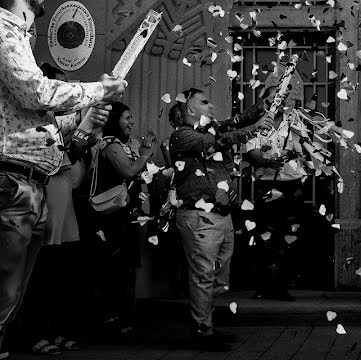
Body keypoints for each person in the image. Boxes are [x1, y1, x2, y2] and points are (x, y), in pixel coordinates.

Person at [0, 0, 126, 360]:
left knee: (13, 290)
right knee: (3, 284)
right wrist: (97, 92)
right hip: (11, 178)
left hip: (32, 179)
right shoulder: (1, 30)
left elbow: (41, 122)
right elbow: (35, 93)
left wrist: (83, 120)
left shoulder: (21, 37)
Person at [168, 88, 272, 350]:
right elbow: (221, 141)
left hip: (221, 215)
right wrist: (255, 127)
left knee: (218, 278)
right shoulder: (182, 135)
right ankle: (202, 331)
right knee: (203, 275)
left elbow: (236, 122)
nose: (211, 105)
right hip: (199, 216)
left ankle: (206, 324)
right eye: (204, 102)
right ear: (190, 110)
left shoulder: (211, 128)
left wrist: (262, 106)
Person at [15, 64, 102, 355]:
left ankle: (58, 330)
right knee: (38, 276)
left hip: (66, 211)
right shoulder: (31, 123)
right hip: (43, 205)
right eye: (59, 89)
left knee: (62, 276)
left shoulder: (64, 125)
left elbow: (76, 174)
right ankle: (31, 334)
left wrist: (84, 138)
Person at [242, 73, 306, 301]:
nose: (277, 102)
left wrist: (292, 152)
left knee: (289, 234)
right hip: (267, 183)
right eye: (272, 99)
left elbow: (304, 147)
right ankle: (264, 285)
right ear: (265, 101)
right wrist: (268, 161)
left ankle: (282, 285)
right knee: (265, 235)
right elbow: (251, 152)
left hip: (291, 182)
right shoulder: (258, 122)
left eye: (281, 97)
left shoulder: (294, 119)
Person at [90, 103, 151, 338]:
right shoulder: (111, 145)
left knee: (126, 267)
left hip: (128, 215)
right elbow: (128, 172)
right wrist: (145, 153)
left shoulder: (124, 145)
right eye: (127, 117)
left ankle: (126, 317)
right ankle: (115, 319)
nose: (132, 121)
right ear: (116, 119)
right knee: (117, 267)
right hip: (113, 217)